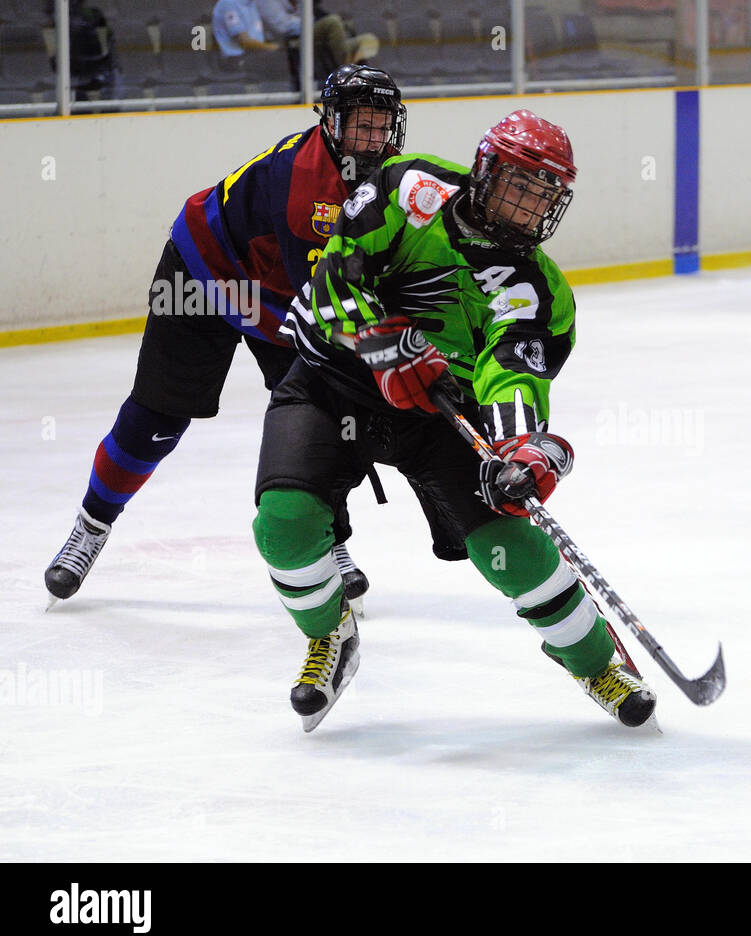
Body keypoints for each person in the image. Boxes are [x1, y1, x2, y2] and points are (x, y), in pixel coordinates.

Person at [252, 110, 658, 733]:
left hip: (436, 414)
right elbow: (335, 274)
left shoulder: (536, 289)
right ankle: (330, 632)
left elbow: (512, 372)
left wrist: (521, 449)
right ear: (486, 172)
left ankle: (598, 660)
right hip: (333, 384)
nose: (528, 210)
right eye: (519, 187)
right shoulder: (406, 190)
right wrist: (384, 349)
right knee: (283, 525)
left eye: (544, 197)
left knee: (509, 546)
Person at [44, 65, 407, 609]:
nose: (371, 138)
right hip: (205, 274)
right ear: (331, 123)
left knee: (318, 412)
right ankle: (91, 526)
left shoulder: (389, 177)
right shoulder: (307, 188)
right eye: (360, 125)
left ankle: (327, 542)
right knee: (160, 415)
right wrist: (384, 354)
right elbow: (326, 300)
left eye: (381, 126)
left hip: (276, 287)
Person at [254, 0, 380, 75]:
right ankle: (345, 69)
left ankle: (360, 76)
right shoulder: (266, 1)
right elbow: (283, 27)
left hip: (307, 38)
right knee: (332, 22)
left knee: (367, 39)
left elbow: (308, 15)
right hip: (288, 44)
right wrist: (313, 22)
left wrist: (312, 21)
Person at [212, 0, 280, 71]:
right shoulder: (229, 3)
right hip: (237, 59)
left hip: (255, 53)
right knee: (282, 58)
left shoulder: (251, 3)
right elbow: (245, 42)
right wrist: (272, 48)